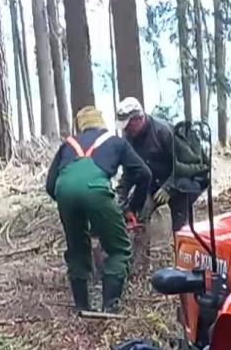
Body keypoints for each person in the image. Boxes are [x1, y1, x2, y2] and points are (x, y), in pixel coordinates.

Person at [46, 106, 151, 313]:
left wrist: (71, 206)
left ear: (80, 125)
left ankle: (81, 307)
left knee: (77, 249)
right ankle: (109, 309)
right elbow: (144, 174)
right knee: (118, 249)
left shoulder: (68, 144)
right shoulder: (116, 142)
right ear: (100, 122)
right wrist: (132, 207)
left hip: (64, 191)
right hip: (96, 191)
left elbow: (50, 185)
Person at [114, 97, 208, 232]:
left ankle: (182, 237)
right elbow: (129, 173)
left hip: (184, 179)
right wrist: (122, 202)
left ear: (139, 119)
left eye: (128, 125)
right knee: (140, 212)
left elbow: (191, 164)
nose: (126, 130)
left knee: (179, 221)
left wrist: (169, 187)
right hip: (155, 183)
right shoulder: (129, 140)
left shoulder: (164, 132)